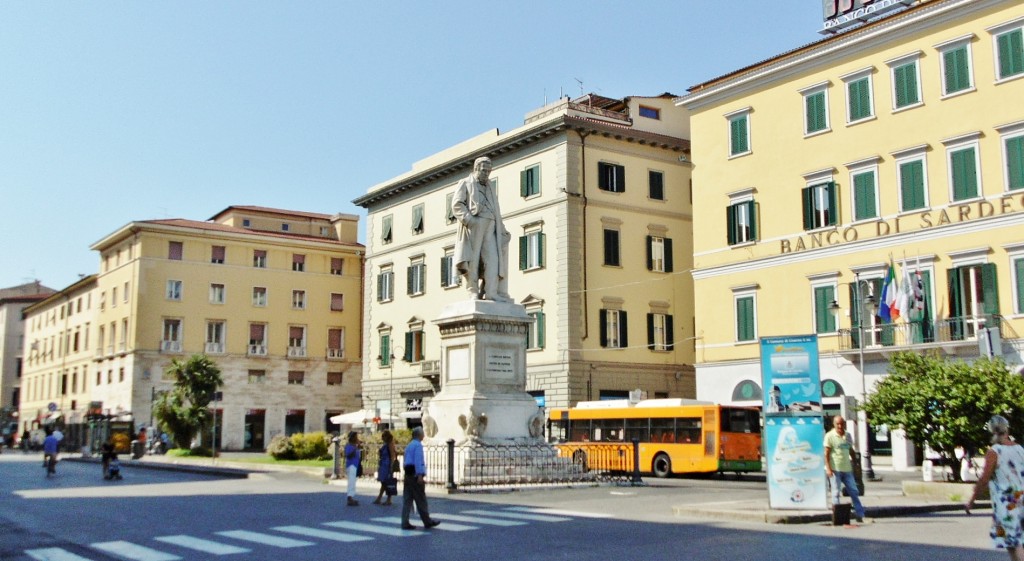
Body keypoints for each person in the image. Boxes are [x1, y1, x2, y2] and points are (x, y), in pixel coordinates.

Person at [452, 156, 513, 303]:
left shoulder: (490, 186)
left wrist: (502, 229)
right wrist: (470, 220)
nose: (486, 174)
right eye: (484, 171)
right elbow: (457, 204)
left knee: (493, 259)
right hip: (475, 224)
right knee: (473, 260)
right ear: (476, 169)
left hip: (492, 225)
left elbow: (496, 210)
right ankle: (473, 291)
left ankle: (491, 292)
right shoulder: (465, 183)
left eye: (489, 171)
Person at [966, 415, 1024, 560]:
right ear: (1007, 429)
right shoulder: (1020, 449)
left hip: (1007, 503)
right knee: (1018, 542)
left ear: (991, 431)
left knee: (1014, 544)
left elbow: (984, 479)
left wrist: (972, 500)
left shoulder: (994, 452)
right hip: (1022, 498)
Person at [824, 415, 865, 523]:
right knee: (836, 492)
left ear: (844, 424)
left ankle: (860, 514)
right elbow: (826, 453)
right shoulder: (829, 436)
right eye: (837, 424)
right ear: (834, 424)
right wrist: (828, 468)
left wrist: (855, 464)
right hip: (835, 468)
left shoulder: (848, 435)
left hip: (847, 468)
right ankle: (837, 517)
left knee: (854, 492)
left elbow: (850, 449)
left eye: (841, 423)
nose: (840, 426)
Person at [401, 427, 440, 530]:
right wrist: (419, 474)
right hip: (415, 473)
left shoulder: (409, 445)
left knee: (407, 499)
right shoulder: (418, 445)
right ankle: (427, 521)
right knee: (421, 498)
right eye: (423, 433)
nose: (424, 435)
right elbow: (418, 460)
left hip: (408, 472)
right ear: (419, 435)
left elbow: (405, 459)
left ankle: (404, 521)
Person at [373, 430, 398, 506]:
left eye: (383, 436)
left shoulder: (390, 444)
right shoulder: (386, 444)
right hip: (383, 464)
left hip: (387, 465)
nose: (382, 438)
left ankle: (387, 499)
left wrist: (391, 466)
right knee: (384, 482)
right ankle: (380, 498)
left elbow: (392, 455)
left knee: (387, 482)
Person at [344, 431, 362, 506]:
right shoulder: (349, 446)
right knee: (351, 481)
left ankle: (351, 496)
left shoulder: (355, 446)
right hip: (351, 465)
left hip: (355, 465)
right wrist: (355, 448)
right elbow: (348, 455)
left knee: (353, 481)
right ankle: (349, 497)